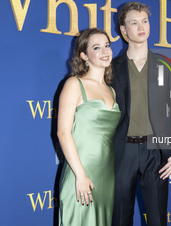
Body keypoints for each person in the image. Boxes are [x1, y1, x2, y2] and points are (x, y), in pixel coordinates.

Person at [111, 2, 171, 226]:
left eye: (144, 21)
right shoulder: (113, 68)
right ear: (124, 31)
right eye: (134, 23)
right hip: (123, 152)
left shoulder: (165, 65)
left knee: (157, 219)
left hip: (156, 152)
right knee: (120, 217)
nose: (141, 27)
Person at [57, 28, 121, 226]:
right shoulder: (74, 84)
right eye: (96, 47)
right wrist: (80, 175)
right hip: (81, 171)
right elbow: (63, 133)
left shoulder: (112, 90)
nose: (105, 51)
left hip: (107, 173)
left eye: (107, 46)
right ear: (84, 55)